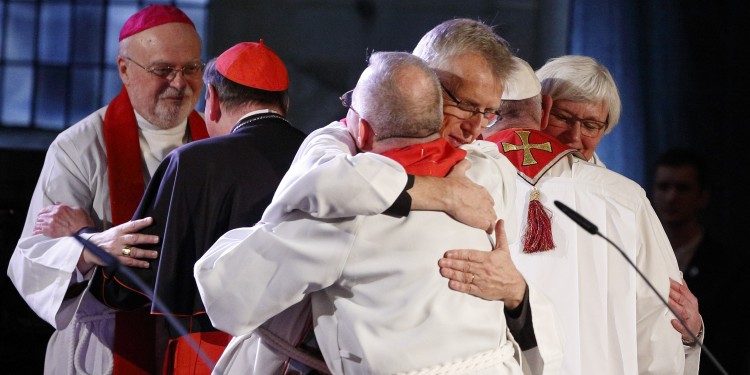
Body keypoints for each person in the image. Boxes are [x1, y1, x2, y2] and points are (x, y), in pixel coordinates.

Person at [195, 50, 562, 374]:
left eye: (487, 114)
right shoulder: (488, 175)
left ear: (363, 127)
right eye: (466, 107)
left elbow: (228, 296)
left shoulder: (348, 211)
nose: (473, 129)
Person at [442, 55, 695, 374]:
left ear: (606, 129)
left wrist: (691, 333)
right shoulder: (463, 181)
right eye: (563, 118)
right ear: (540, 108)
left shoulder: (623, 201)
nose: (575, 137)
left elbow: (659, 320)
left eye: (591, 125)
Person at [6, 5, 207, 374]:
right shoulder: (79, 147)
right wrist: (92, 246)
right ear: (125, 69)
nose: (180, 83)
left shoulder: (217, 140)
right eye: (163, 69)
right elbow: (28, 263)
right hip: (104, 348)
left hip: (196, 343)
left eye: (192, 68)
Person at [652, 147, 749, 375]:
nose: (671, 197)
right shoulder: (638, 255)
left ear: (702, 196)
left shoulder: (731, 267)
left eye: (682, 188)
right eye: (663, 186)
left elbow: (732, 347)